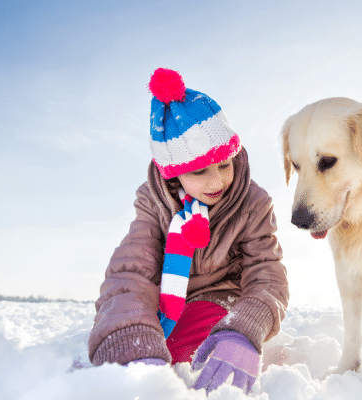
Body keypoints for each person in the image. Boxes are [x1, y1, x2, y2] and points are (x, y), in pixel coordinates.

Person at [87, 68, 288, 395]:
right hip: (165, 300)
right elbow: (132, 270)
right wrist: (132, 339)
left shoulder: (253, 202)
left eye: (225, 163)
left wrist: (244, 330)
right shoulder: (153, 202)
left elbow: (267, 273)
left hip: (218, 299)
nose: (218, 181)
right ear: (173, 175)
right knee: (128, 340)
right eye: (199, 170)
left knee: (189, 353)